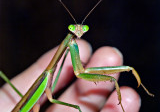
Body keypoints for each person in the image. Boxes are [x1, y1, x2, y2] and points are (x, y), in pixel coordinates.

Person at [0, 40, 140, 112]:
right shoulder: (69, 46)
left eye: (83, 29)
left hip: (41, 89)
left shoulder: (69, 47)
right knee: (77, 107)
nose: (79, 32)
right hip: (27, 101)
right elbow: (53, 99)